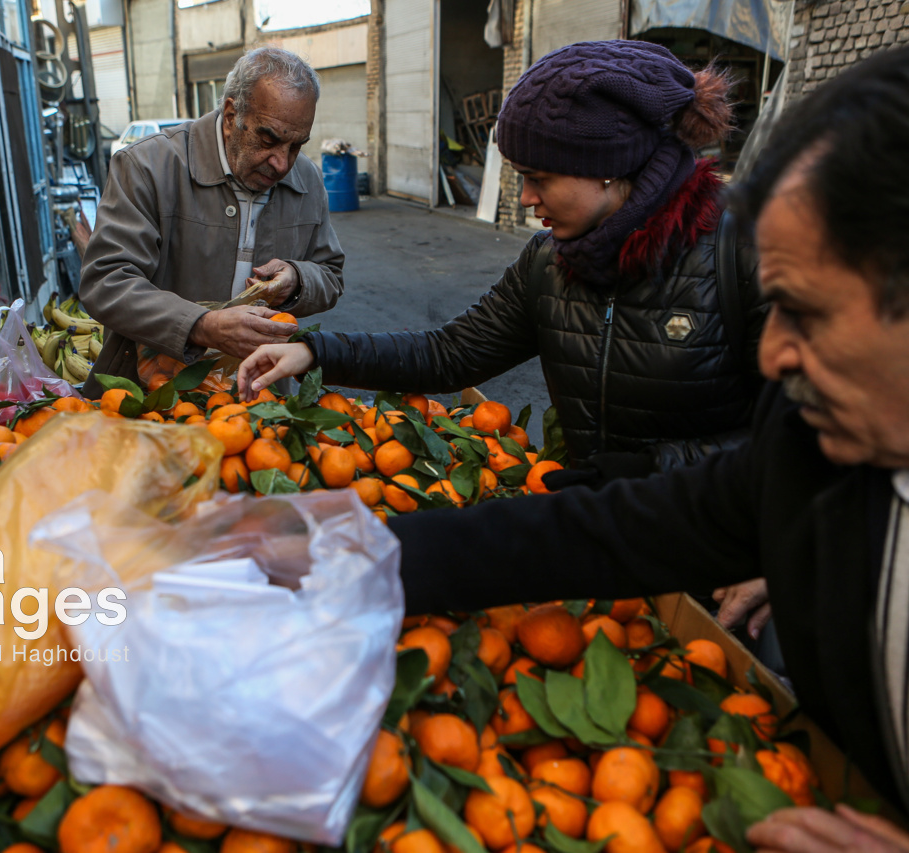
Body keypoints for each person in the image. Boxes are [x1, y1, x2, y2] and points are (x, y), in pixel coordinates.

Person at [389, 31, 909, 852]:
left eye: (805, 313)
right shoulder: (822, 455)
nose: (776, 355)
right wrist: (342, 550)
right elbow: (609, 530)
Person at [239, 40, 772, 637]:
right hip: (604, 550)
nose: (525, 199)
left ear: (612, 163)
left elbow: (813, 437)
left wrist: (655, 467)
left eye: (539, 178)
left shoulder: (743, 254)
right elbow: (451, 353)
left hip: (731, 564)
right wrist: (317, 351)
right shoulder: (552, 263)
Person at [78, 47, 345, 398]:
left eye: (296, 146)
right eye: (269, 139)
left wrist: (295, 279)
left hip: (256, 402)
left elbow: (330, 274)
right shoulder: (147, 166)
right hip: (147, 395)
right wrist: (201, 326)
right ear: (232, 115)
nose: (282, 164)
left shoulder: (306, 179)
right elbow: (106, 281)